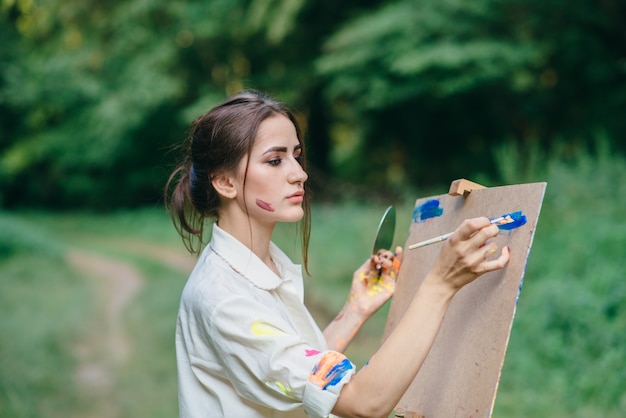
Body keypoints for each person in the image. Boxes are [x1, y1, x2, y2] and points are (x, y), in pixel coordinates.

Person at [164, 90, 510, 418]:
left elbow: (291, 374)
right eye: (274, 160)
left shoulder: (262, 264)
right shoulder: (224, 300)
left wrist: (354, 311)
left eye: (296, 156)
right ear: (225, 182)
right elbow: (364, 403)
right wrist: (441, 284)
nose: (299, 174)